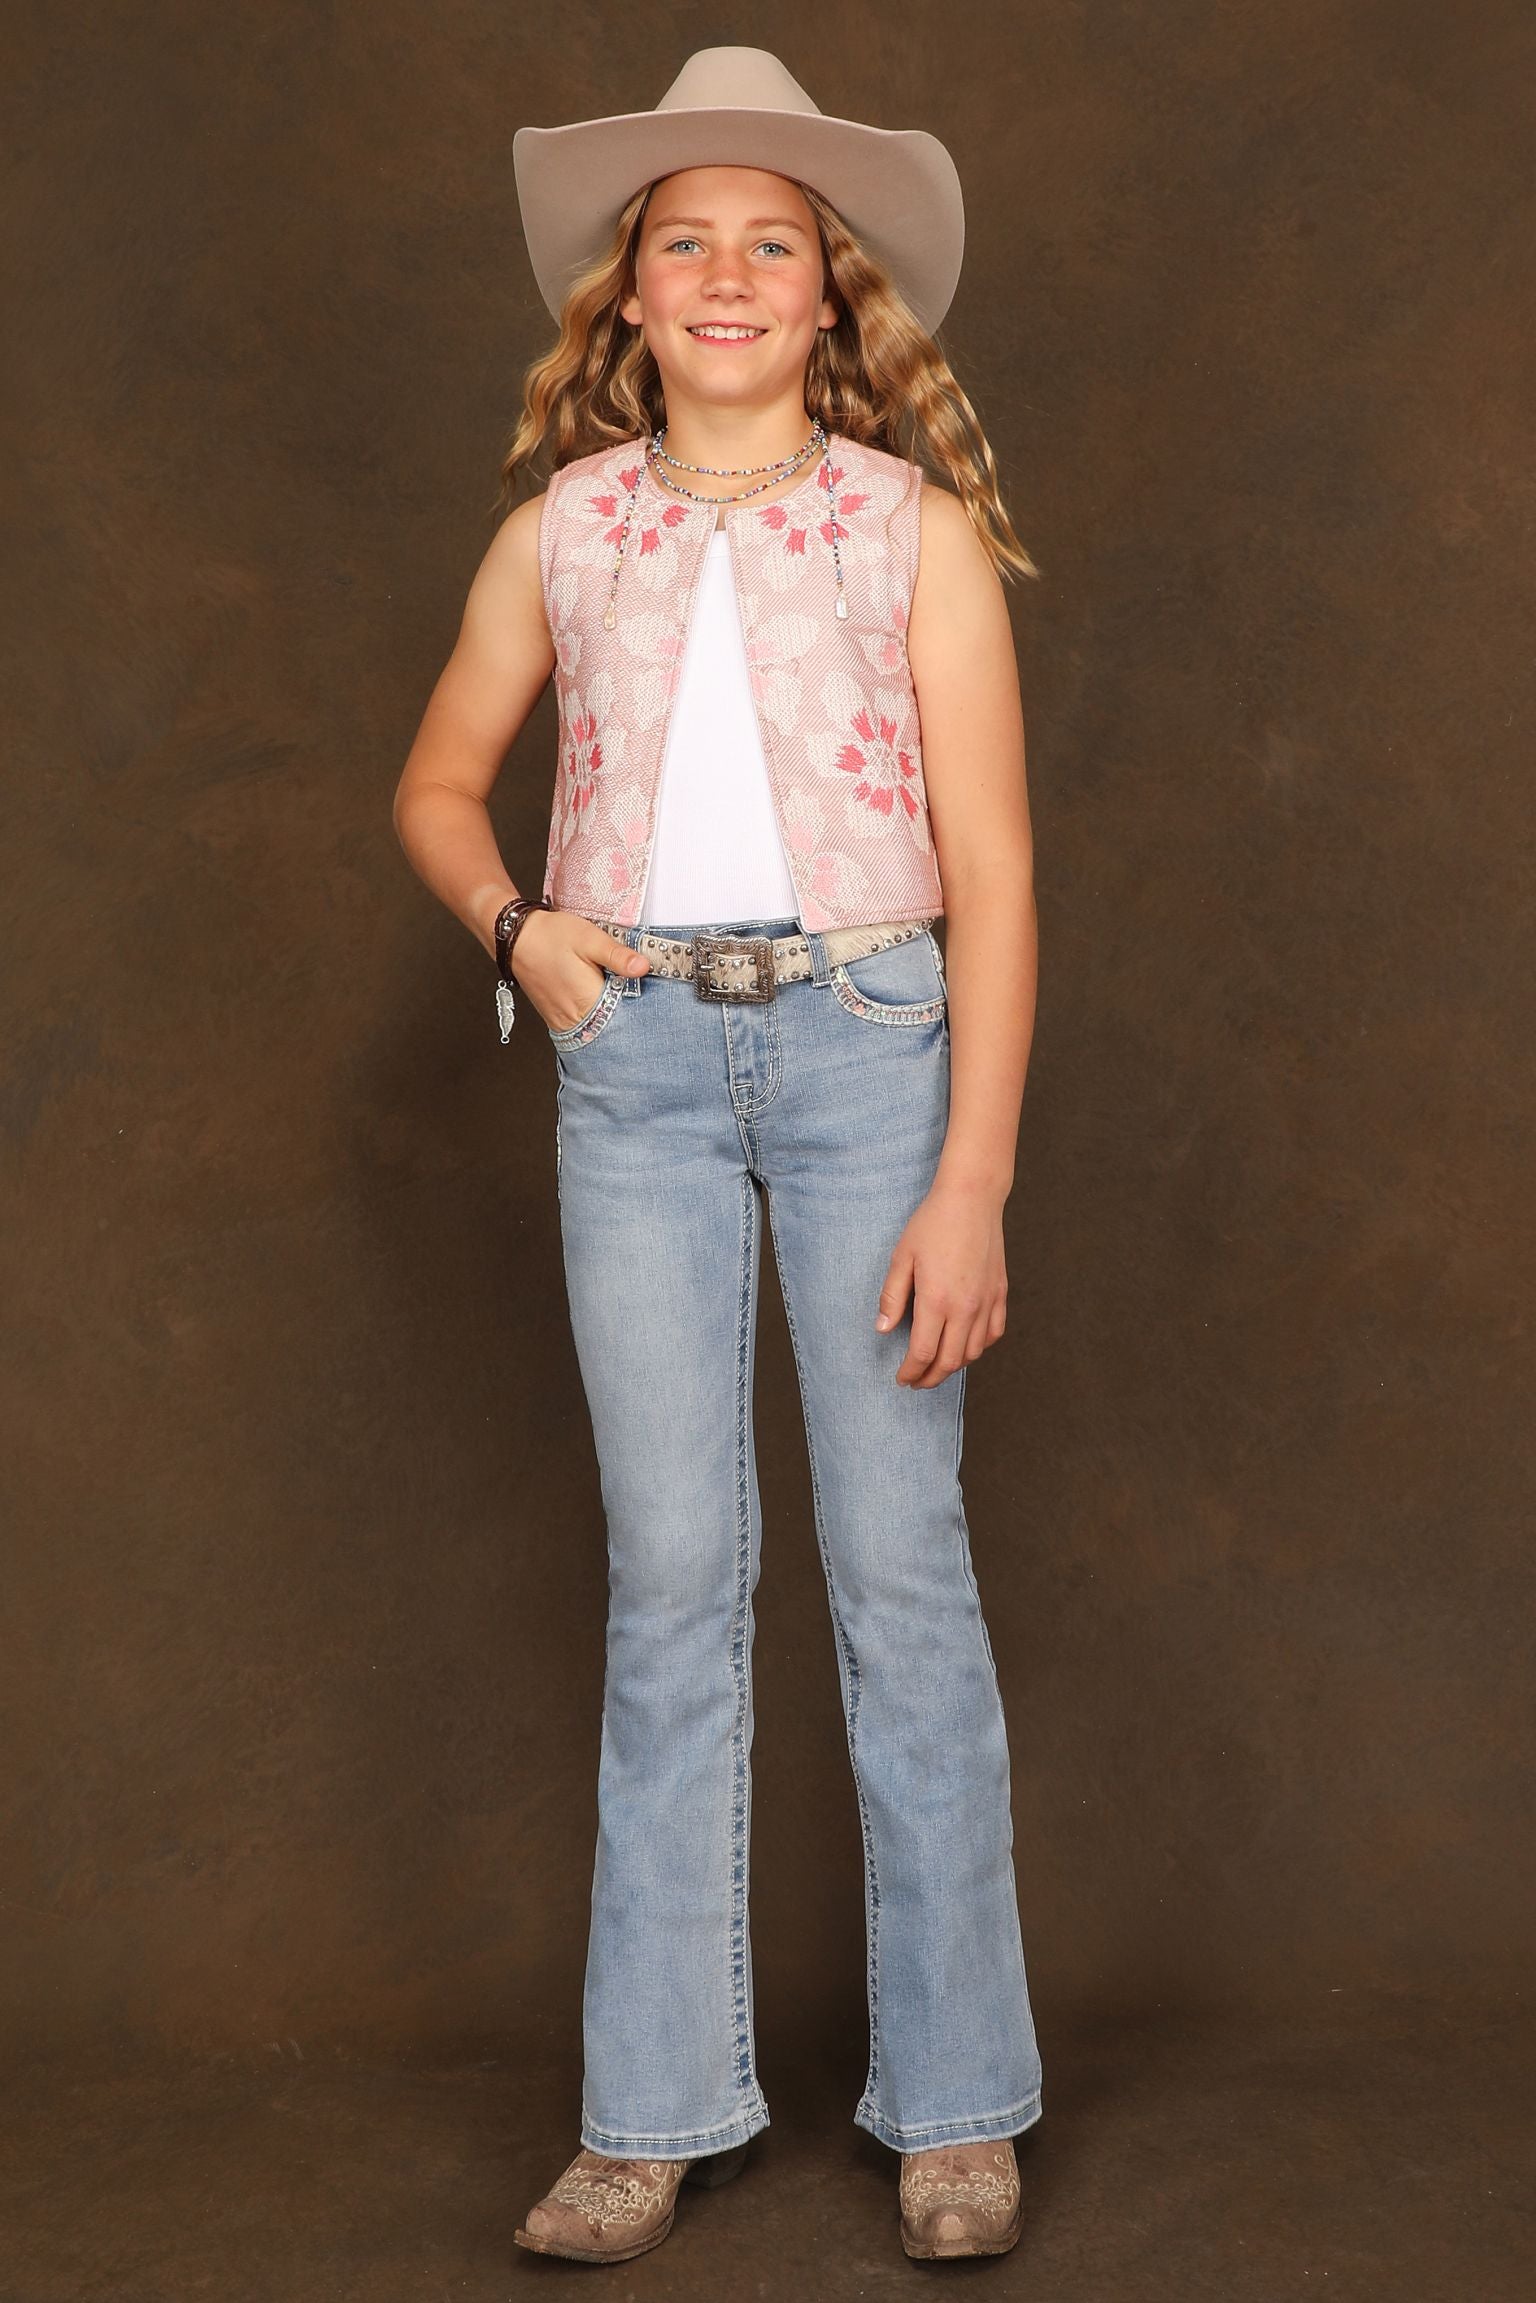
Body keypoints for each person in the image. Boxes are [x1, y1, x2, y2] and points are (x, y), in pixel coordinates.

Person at [392, 44, 1045, 2268]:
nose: (734, 272)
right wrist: (524, 934)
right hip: (638, 1066)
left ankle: (956, 2104)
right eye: (691, 241)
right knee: (673, 1582)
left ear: (832, 292)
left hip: (871, 1052)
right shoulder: (564, 533)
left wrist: (973, 1177)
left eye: (777, 241)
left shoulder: (908, 532)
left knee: (901, 1572)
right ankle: (651, 2104)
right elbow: (437, 787)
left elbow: (998, 875)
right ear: (631, 293)